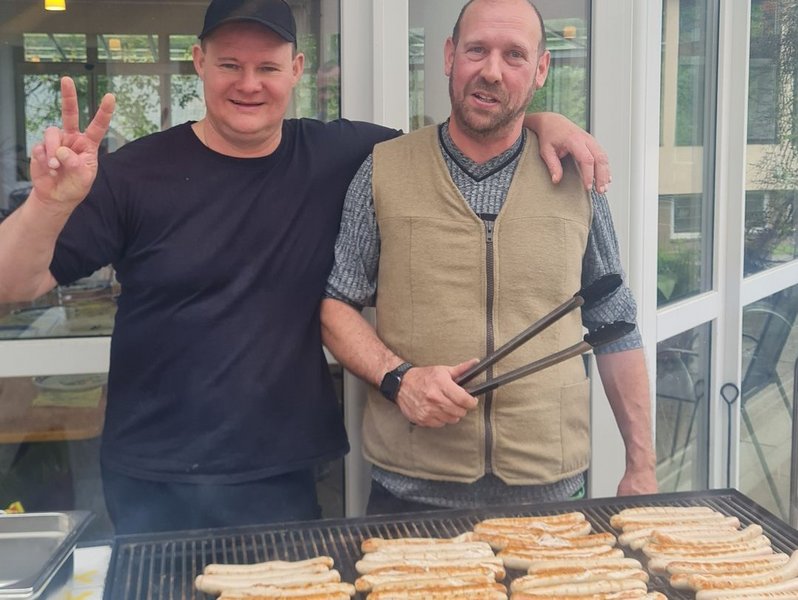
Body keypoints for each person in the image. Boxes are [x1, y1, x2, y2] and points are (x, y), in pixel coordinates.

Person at [0, 0, 614, 534]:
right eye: (229, 65)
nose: (249, 84)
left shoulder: (337, 153)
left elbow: (470, 133)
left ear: (295, 70)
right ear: (198, 63)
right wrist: (48, 204)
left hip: (282, 473)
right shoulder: (134, 172)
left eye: (267, 67)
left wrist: (541, 121)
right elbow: (15, 283)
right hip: (152, 472)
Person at [321, 0, 658, 515]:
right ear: (449, 56)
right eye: (476, 49)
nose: (492, 71)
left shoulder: (577, 179)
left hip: (548, 491)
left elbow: (615, 321)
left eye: (514, 55)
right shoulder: (384, 170)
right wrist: (399, 378)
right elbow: (336, 306)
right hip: (409, 491)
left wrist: (641, 464)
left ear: (541, 69)